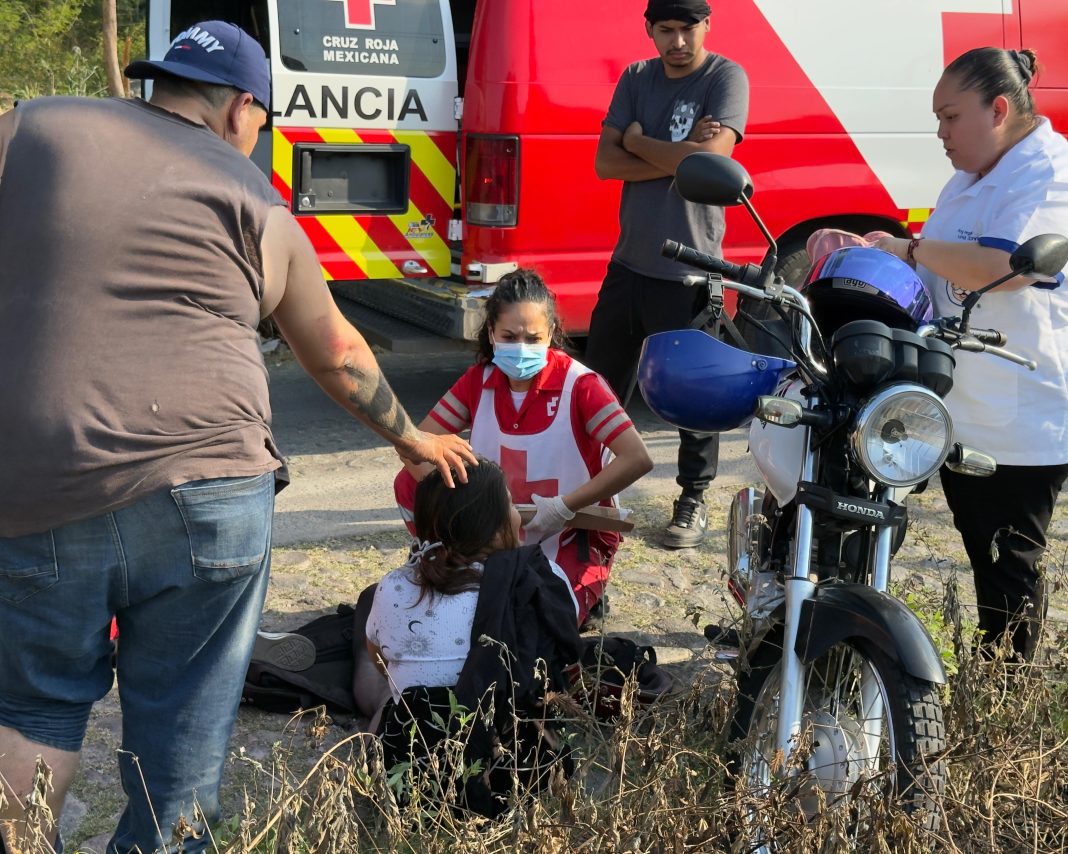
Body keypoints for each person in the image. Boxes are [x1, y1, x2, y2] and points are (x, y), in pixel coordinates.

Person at [0, 21, 476, 854]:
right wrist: (411, 441)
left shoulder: (33, 129)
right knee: (181, 741)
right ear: (243, 108)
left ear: (164, 84)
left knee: (34, 708)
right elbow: (336, 353)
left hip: (43, 476)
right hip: (211, 490)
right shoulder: (261, 204)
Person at [874, 47, 1068, 662]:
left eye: (950, 117)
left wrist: (911, 250)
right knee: (983, 553)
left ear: (1000, 109)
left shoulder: (1049, 171)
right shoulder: (969, 174)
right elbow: (938, 271)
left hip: (1019, 415)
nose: (940, 134)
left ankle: (1010, 699)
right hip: (959, 405)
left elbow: (1005, 268)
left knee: (1008, 570)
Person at [394, 269, 653, 625]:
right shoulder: (479, 382)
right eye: (510, 336)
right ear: (491, 334)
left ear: (552, 335)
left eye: (534, 338)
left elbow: (637, 458)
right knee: (411, 484)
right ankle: (440, 554)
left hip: (571, 530)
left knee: (535, 624)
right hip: (494, 535)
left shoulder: (581, 386)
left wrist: (564, 506)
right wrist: (461, 513)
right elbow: (414, 447)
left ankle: (590, 590)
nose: (522, 348)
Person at [583, 0, 749, 549]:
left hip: (692, 268)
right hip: (629, 261)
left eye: (687, 29)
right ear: (650, 30)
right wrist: (678, 153)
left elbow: (711, 162)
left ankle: (693, 500)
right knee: (599, 388)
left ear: (707, 25)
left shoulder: (726, 76)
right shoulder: (636, 77)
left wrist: (635, 140)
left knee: (693, 395)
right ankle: (591, 494)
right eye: (666, 30)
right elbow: (604, 166)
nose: (677, 41)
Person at [368, 459, 581, 818]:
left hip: (415, 774)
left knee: (381, 673)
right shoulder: (540, 581)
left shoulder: (394, 586)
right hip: (515, 770)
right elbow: (564, 656)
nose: (519, 514)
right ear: (497, 529)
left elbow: (378, 657)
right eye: (512, 504)